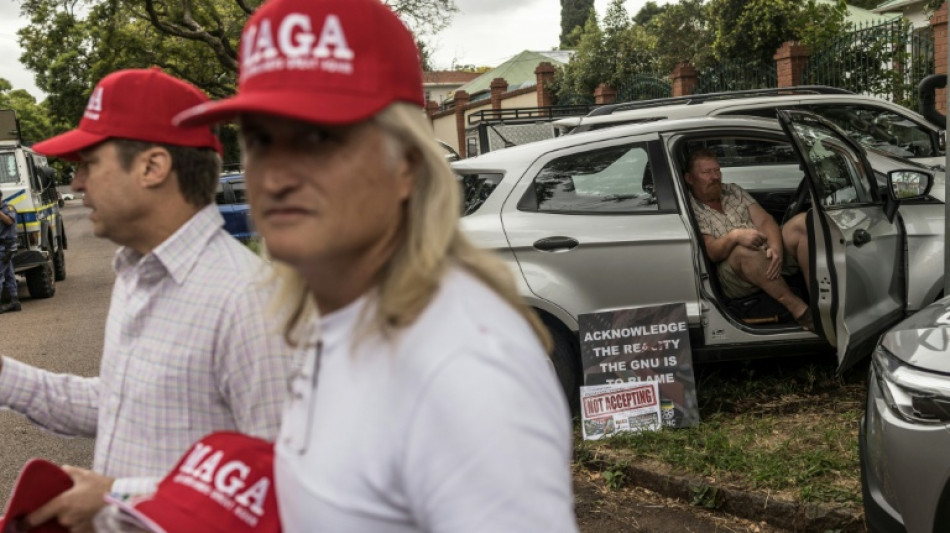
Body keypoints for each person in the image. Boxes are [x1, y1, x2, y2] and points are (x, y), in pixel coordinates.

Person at [174, 0, 579, 530]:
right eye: (259, 140)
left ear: (406, 164)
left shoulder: (466, 367)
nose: (274, 175)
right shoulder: (332, 317)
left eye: (317, 138)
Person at [0, 67, 294, 531]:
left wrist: (117, 495)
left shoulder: (250, 303)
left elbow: (287, 491)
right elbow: (121, 404)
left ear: (153, 167)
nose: (77, 183)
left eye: (89, 163)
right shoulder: (137, 274)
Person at [684, 148, 813, 331]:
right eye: (706, 172)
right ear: (690, 178)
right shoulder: (691, 208)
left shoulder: (733, 190)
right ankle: (801, 311)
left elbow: (765, 220)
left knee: (802, 222)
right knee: (744, 251)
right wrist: (735, 236)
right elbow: (711, 251)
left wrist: (776, 248)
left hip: (767, 252)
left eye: (717, 170)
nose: (715, 177)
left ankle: (819, 300)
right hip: (734, 273)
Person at [0, 193, 19, 313]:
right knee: (8, 274)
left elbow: (10, 221)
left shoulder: (8, 208)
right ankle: (14, 301)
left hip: (6, 247)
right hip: (3, 247)